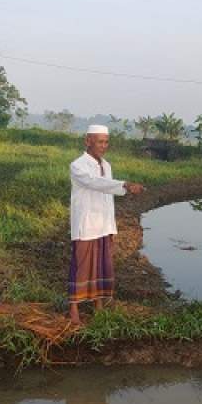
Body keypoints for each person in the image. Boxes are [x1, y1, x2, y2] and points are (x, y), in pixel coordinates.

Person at [69, 125, 144, 325]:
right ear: (88, 141)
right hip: (86, 224)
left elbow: (107, 192)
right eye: (100, 141)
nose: (104, 146)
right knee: (82, 266)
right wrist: (125, 185)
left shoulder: (107, 165)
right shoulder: (78, 166)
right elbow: (95, 183)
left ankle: (98, 305)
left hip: (103, 224)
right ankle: (74, 308)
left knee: (102, 265)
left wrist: (123, 189)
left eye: (106, 142)